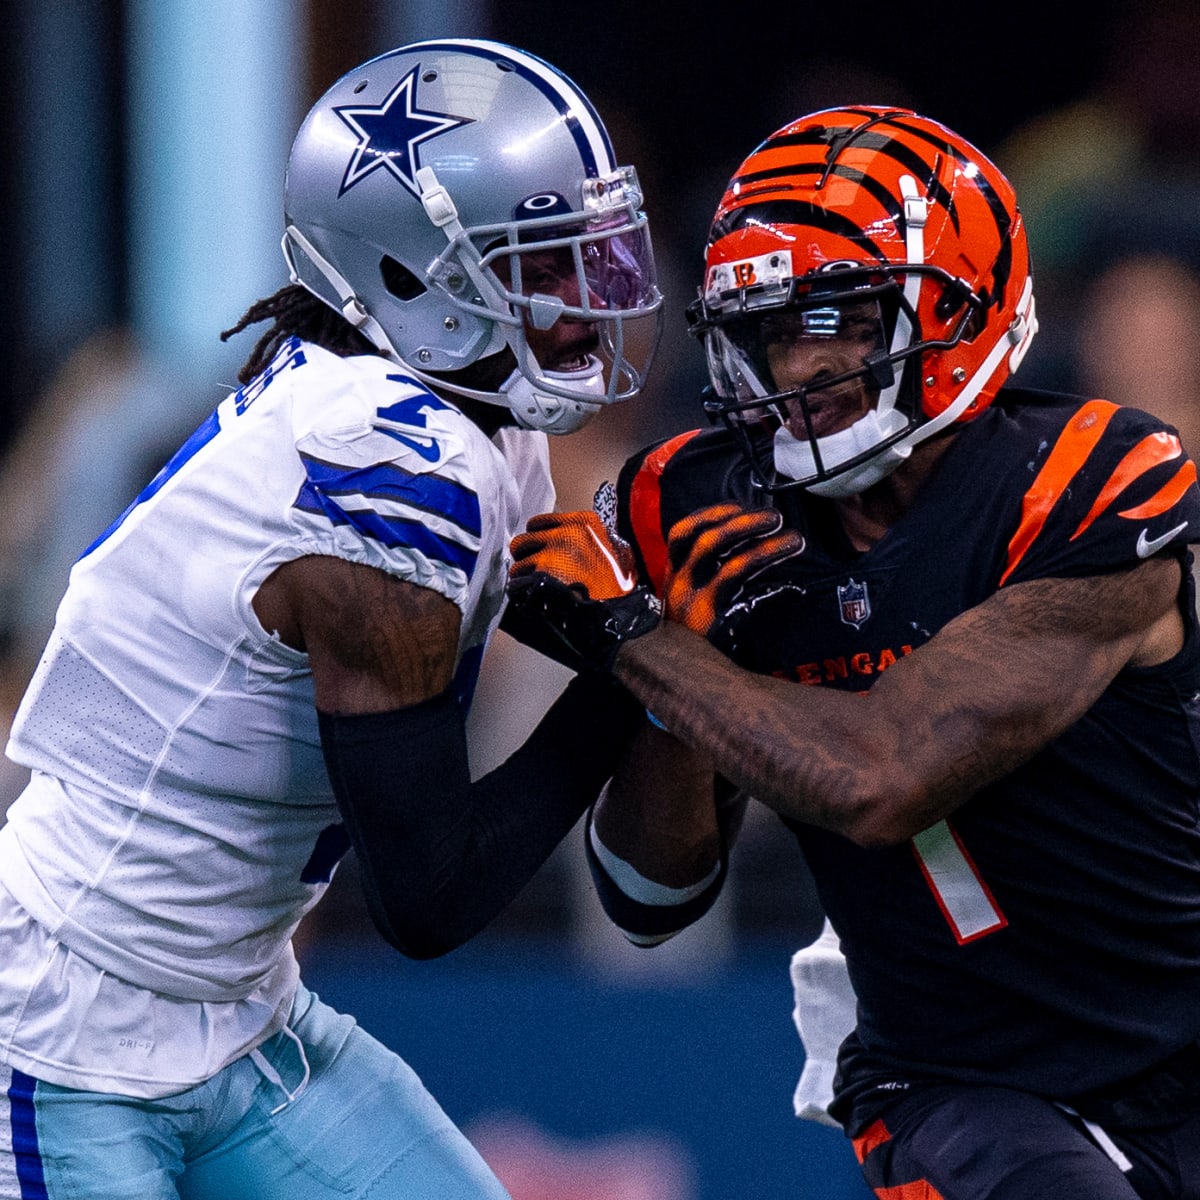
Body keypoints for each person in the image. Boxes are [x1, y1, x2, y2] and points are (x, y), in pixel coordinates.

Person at [0, 38, 661, 1199]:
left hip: (245, 1013)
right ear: (411, 275)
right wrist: (636, 669)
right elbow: (430, 899)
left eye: (594, 253)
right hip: (64, 1032)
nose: (589, 300)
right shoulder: (380, 485)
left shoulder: (463, 421)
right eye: (544, 263)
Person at [502, 106, 1200, 1198]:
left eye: (842, 317)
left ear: (960, 308)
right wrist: (674, 680)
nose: (805, 362)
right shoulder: (698, 502)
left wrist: (641, 644)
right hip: (960, 1082)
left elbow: (883, 775)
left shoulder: (1090, 480)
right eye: (774, 328)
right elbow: (648, 896)